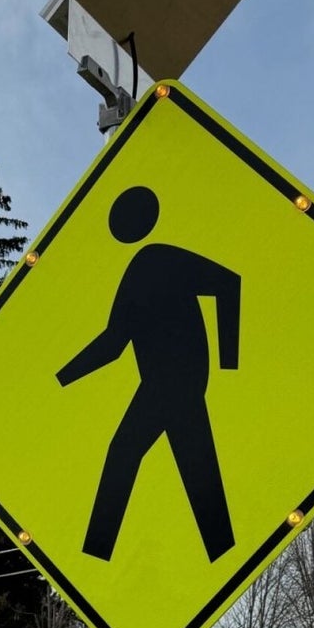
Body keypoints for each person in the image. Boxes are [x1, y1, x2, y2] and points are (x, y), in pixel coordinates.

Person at [57, 185, 240, 562]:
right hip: (166, 383)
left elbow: (228, 283)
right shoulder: (138, 270)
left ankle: (95, 553)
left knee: (126, 452)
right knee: (196, 466)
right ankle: (222, 550)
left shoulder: (158, 259)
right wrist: (61, 378)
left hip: (175, 382)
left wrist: (228, 362)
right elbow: (113, 343)